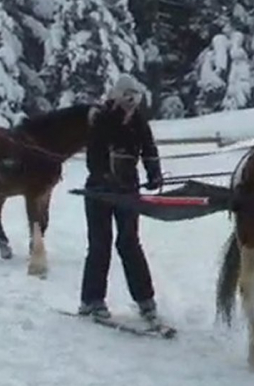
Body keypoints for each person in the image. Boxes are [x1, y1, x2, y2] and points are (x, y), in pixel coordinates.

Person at [79, 74, 163, 320]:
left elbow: (149, 150)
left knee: (129, 243)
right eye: (127, 99)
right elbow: (94, 156)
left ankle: (145, 299)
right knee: (100, 244)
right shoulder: (102, 120)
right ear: (117, 97)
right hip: (100, 192)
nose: (131, 104)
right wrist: (104, 175)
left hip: (128, 190)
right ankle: (92, 300)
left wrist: (154, 173)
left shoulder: (139, 122)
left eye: (135, 99)